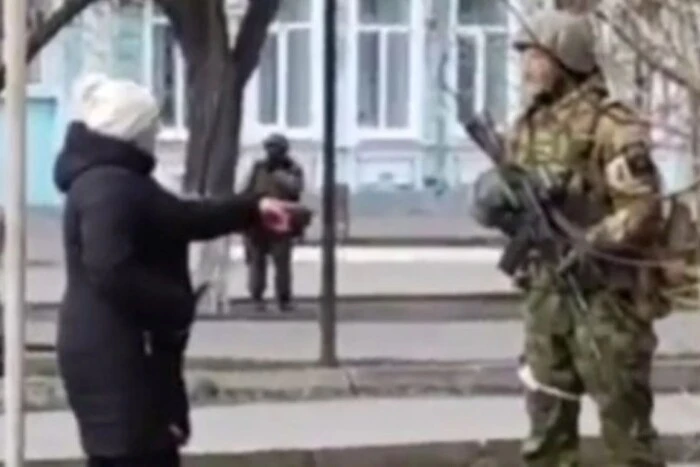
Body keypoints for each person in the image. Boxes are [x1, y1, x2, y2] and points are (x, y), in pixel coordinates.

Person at [54, 74, 300, 467]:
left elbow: (183, 218)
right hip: (117, 356)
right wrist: (176, 305)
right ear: (135, 130)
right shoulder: (108, 186)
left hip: (120, 350)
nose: (156, 133)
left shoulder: (120, 180)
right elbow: (110, 269)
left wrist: (252, 209)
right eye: (152, 126)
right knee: (136, 457)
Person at [471, 10, 668, 467]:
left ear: (566, 58)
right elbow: (514, 201)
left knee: (627, 434)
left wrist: (590, 241)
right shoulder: (528, 126)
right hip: (546, 294)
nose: (526, 68)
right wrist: (497, 204)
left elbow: (642, 207)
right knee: (546, 428)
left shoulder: (611, 126)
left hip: (605, 299)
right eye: (524, 56)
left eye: (536, 56)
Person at [242, 133, 305, 312]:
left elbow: (296, 189)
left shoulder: (292, 169)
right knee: (257, 262)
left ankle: (284, 299)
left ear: (284, 150)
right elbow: (248, 190)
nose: (272, 152)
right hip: (259, 222)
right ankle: (257, 297)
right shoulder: (259, 168)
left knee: (282, 264)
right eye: (269, 148)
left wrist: (279, 174)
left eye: (276, 148)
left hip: (281, 224)